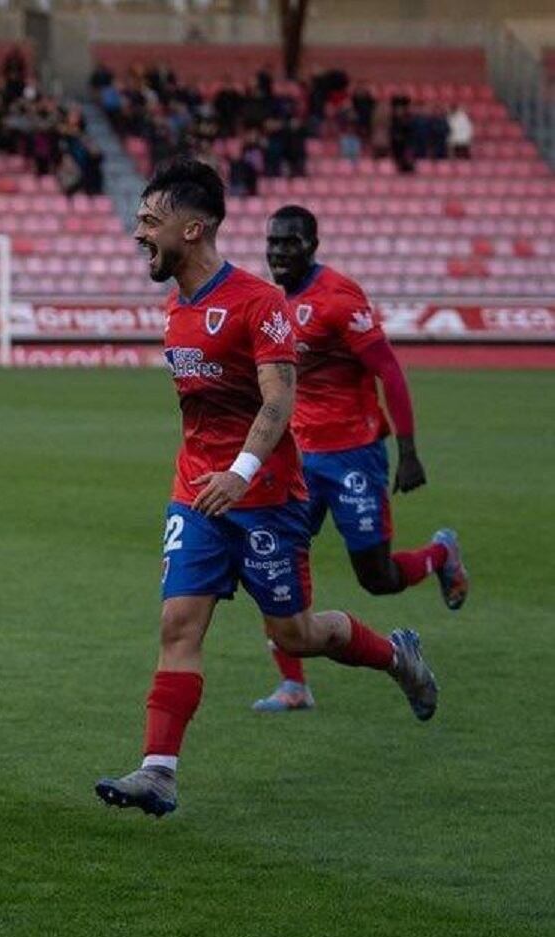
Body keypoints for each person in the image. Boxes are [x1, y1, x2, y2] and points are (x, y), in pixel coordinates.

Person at [94, 160, 440, 817]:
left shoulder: (259, 302)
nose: (138, 232)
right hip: (196, 495)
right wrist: (212, 475)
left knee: (295, 633)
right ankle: (158, 771)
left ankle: (398, 658)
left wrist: (242, 472)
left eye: (150, 220)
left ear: (191, 229)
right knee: (178, 623)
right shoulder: (176, 308)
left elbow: (280, 402)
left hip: (268, 499)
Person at [250, 205, 467, 712]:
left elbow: (389, 371)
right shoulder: (274, 302)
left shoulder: (338, 298)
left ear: (313, 245)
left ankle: (440, 554)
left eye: (291, 242)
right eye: (273, 242)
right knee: (269, 559)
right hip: (301, 457)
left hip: (355, 455)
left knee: (377, 578)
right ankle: (294, 685)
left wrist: (408, 451)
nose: (279, 251)